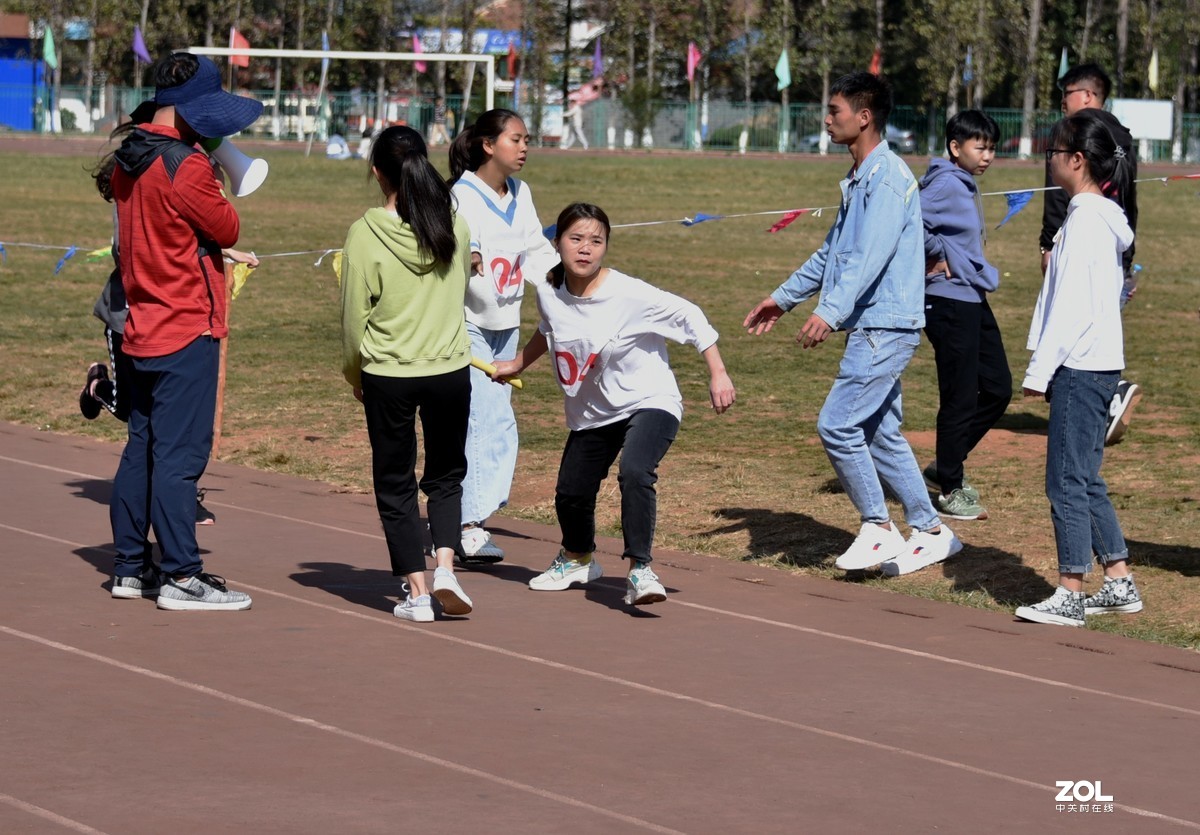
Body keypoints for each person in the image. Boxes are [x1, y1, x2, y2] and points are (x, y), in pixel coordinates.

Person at [743, 71, 962, 577]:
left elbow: (867, 259)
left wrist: (828, 312)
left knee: (838, 426)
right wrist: (784, 298)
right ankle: (931, 531)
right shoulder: (862, 177)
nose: (826, 119)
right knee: (881, 434)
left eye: (835, 110)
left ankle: (878, 529)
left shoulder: (886, 179)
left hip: (884, 327)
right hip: (873, 324)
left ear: (864, 117)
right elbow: (833, 254)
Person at [491, 203, 735, 605]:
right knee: (571, 492)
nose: (585, 248)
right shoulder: (550, 291)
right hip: (593, 412)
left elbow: (691, 316)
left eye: (596, 241)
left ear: (605, 247)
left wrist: (718, 372)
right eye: (576, 239)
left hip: (649, 399)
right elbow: (548, 330)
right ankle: (577, 557)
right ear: (558, 244)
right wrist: (517, 363)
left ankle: (641, 570)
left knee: (636, 471)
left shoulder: (629, 294)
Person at [107, 52, 261, 610]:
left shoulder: (130, 155)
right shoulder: (188, 165)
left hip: (143, 323)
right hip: (186, 325)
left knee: (140, 448)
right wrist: (213, 170)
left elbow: (168, 229)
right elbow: (227, 224)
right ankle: (181, 575)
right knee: (179, 459)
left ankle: (129, 566)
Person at [83, 104, 256, 527]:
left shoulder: (158, 172)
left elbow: (183, 231)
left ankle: (143, 547)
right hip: (131, 314)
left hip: (156, 316)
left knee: (154, 433)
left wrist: (218, 247)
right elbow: (141, 244)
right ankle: (96, 387)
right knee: (137, 420)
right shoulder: (144, 179)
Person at [341, 125, 475, 623]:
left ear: (377, 173)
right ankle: (445, 566)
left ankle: (417, 592)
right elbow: (459, 289)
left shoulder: (365, 232)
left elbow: (354, 317)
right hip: (449, 370)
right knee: (445, 474)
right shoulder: (455, 225)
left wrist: (355, 372)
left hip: (389, 372)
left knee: (395, 480)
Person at [1015, 112, 1143, 627]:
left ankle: (1071, 589)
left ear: (1076, 160)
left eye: (1053, 152)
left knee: (1065, 481)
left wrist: (1038, 371)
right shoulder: (1093, 216)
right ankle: (1118, 579)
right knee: (1085, 478)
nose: (1048, 159)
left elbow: (1070, 307)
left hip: (1081, 365)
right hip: (1096, 361)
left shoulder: (1088, 220)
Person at [448, 108, 560, 564]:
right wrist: (469, 256)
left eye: (527, 139)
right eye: (516, 139)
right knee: (482, 418)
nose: (525, 147)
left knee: (500, 419)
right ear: (488, 145)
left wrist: (564, 283)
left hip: (506, 326)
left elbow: (535, 248)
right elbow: (458, 249)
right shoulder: (460, 194)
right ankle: (469, 524)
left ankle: (475, 512)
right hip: (468, 323)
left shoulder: (521, 191)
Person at [918, 110, 1012, 522]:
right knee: (959, 395)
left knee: (997, 388)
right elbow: (904, 223)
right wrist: (937, 260)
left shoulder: (962, 183)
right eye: (980, 146)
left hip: (972, 296)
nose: (988, 155)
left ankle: (945, 465)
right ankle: (950, 488)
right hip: (948, 301)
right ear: (956, 148)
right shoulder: (944, 185)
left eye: (992, 147)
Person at [1040, 63, 1141, 446]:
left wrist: (1048, 243)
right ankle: (1103, 399)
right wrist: (1127, 255)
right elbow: (1131, 201)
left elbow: (1056, 199)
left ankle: (1104, 398)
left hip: (1080, 240)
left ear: (1085, 95)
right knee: (1099, 329)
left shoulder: (1075, 136)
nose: (1062, 103)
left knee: (1070, 331)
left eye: (1065, 94)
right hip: (1114, 245)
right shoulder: (1122, 139)